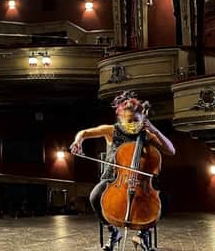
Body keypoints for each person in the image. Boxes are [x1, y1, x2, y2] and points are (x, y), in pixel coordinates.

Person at [69, 92, 175, 251]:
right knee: (94, 196)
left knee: (163, 200)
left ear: (142, 118)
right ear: (120, 117)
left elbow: (171, 150)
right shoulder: (111, 130)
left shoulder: (146, 134)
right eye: (129, 120)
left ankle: (142, 234)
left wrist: (154, 129)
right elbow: (84, 133)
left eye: (136, 120)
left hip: (140, 181)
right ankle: (113, 232)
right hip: (114, 178)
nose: (133, 123)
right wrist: (78, 142)